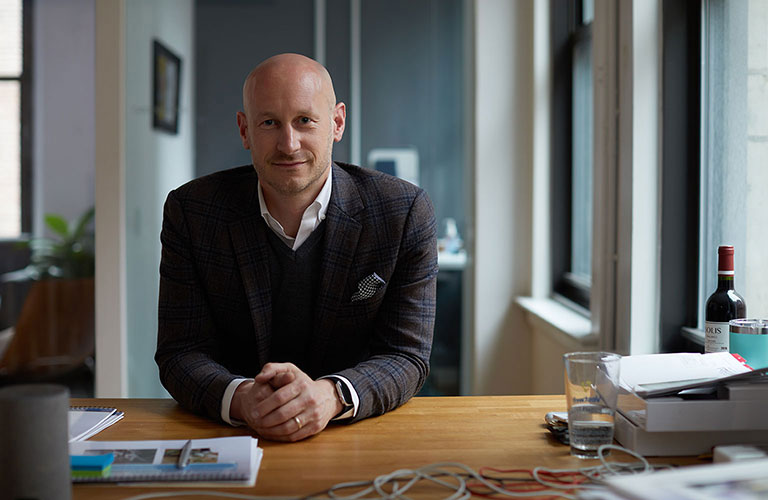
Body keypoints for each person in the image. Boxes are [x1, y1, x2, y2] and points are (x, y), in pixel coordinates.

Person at [155, 53, 438, 442]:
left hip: (357, 437)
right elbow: (180, 352)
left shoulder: (402, 212)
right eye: (269, 122)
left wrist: (329, 396)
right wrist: (242, 399)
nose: (288, 144)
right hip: (233, 439)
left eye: (304, 121)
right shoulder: (193, 212)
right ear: (244, 130)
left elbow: (407, 355)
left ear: (336, 123)